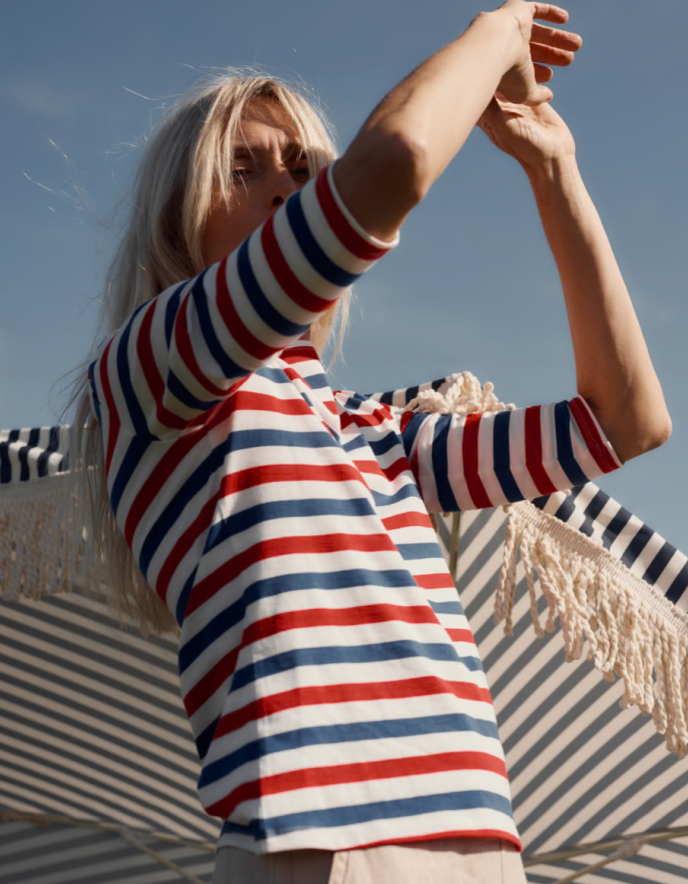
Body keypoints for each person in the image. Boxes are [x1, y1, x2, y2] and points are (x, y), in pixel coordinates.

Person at [71, 1, 671, 881]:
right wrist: (499, 32)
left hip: (480, 848)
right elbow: (394, 162)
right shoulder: (153, 368)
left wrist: (554, 167)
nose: (286, 186)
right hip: (319, 846)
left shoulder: (380, 432)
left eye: (303, 166)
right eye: (243, 167)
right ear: (177, 218)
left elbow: (626, 421)